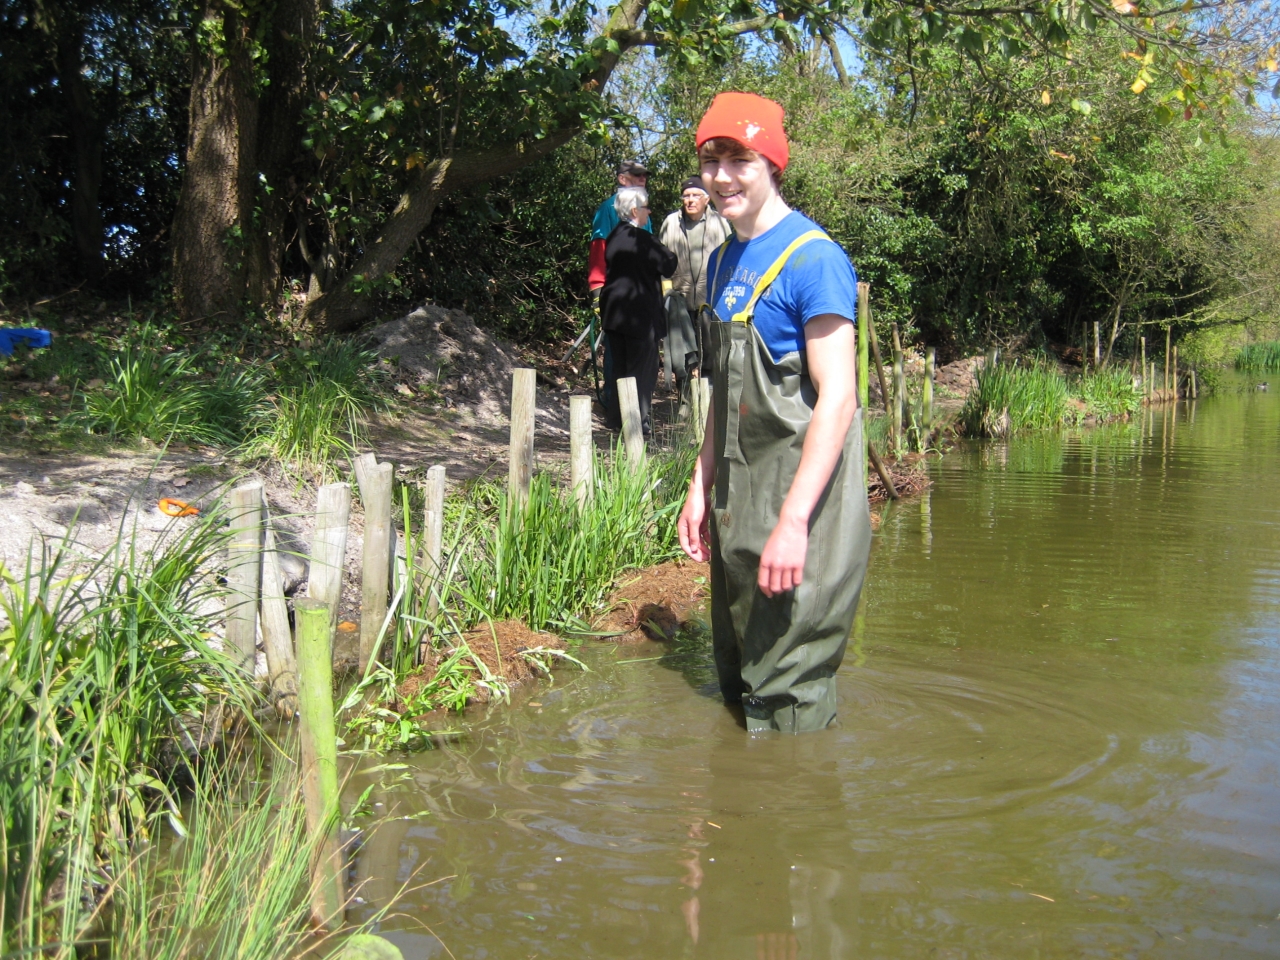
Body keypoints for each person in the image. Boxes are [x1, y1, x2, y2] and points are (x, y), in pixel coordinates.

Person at [677, 92, 871, 735]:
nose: (721, 177)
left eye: (740, 160)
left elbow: (838, 396)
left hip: (801, 506)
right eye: (711, 161)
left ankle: (797, 798)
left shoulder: (815, 259)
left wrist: (793, 522)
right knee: (738, 677)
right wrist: (700, 484)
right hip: (739, 500)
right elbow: (724, 386)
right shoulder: (722, 259)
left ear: (773, 165)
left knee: (789, 694)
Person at [599, 186, 677, 436]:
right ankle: (637, 422)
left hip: (614, 313)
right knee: (641, 370)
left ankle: (615, 418)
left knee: (620, 368)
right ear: (635, 211)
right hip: (640, 315)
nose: (649, 212)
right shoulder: (643, 239)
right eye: (646, 208)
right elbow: (669, 264)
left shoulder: (614, 236)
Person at [658, 177, 733, 405]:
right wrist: (666, 295)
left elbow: (730, 259)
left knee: (710, 352)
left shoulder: (720, 222)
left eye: (695, 195)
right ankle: (685, 402)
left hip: (710, 300)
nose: (690, 200)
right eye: (686, 196)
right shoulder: (671, 222)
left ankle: (707, 404)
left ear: (706, 199)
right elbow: (660, 261)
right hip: (678, 300)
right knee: (681, 354)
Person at [588, 161, 650, 413]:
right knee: (616, 352)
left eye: (644, 176)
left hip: (641, 295)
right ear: (622, 179)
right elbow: (598, 250)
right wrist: (597, 291)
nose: (642, 179)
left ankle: (634, 408)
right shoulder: (609, 209)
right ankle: (614, 407)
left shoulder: (643, 211)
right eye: (637, 175)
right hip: (615, 294)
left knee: (639, 352)